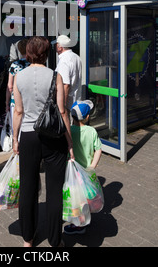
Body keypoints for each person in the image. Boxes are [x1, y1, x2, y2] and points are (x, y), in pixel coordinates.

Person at [12, 36, 74, 248]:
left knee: (28, 187)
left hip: (28, 137)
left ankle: (28, 239)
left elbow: (18, 111)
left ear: (28, 53)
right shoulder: (54, 76)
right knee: (54, 190)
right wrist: (70, 142)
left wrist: (15, 139)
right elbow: (62, 111)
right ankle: (56, 240)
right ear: (46, 54)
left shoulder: (19, 76)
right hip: (52, 137)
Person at [63, 100, 102, 235]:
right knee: (87, 197)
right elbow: (98, 150)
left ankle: (79, 225)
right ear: (87, 117)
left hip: (73, 173)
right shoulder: (91, 131)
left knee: (76, 199)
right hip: (86, 171)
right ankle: (86, 219)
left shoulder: (68, 132)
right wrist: (92, 166)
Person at [54, 35, 82, 116]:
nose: (55, 46)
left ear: (60, 47)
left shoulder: (64, 61)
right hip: (75, 101)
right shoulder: (76, 57)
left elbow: (65, 85)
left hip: (68, 105)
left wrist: (62, 106)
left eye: (56, 45)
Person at [5, 38, 30, 130]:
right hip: (30, 102)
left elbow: (10, 87)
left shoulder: (15, 65)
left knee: (16, 128)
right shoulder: (34, 64)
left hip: (15, 102)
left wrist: (7, 103)